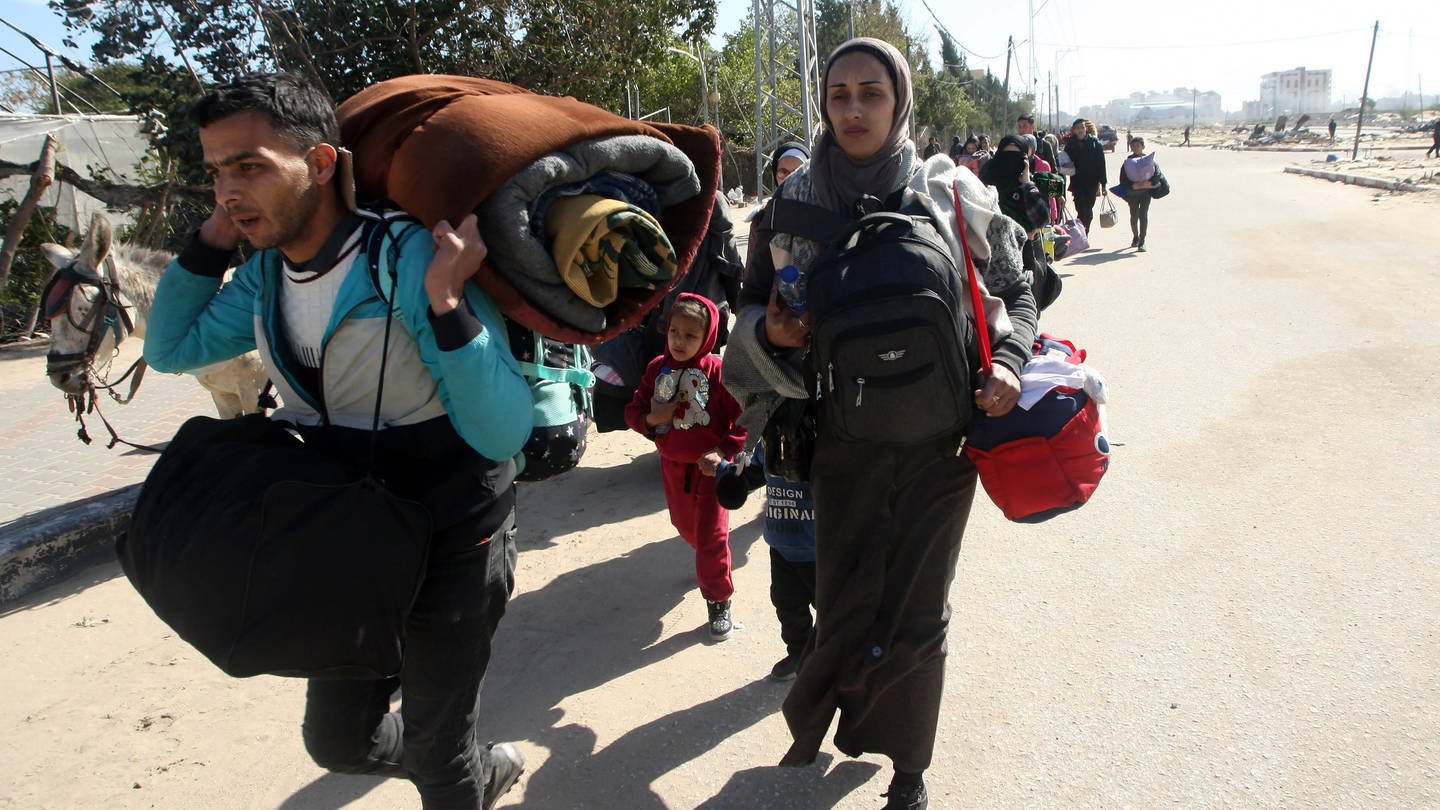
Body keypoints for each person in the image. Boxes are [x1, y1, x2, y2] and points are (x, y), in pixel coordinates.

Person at [142, 73, 534, 809]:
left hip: (456, 526)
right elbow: (169, 347)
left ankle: (463, 771)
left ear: (320, 164)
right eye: (217, 172)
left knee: (435, 750)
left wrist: (448, 304)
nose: (228, 188)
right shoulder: (263, 280)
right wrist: (216, 236)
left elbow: (502, 431)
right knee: (337, 741)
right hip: (352, 533)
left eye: (250, 165)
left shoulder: (406, 258)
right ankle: (485, 769)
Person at [724, 37, 1036, 810]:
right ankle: (850, 720)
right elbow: (750, 304)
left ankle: (909, 768)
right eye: (840, 95)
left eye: (872, 92)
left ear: (900, 100)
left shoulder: (954, 195)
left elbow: (1020, 290)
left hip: (941, 447)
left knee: (919, 607)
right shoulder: (788, 212)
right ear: (823, 106)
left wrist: (1009, 364)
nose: (855, 109)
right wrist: (770, 335)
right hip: (840, 446)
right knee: (846, 598)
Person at [625, 293, 747, 640]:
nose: (680, 341)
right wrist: (651, 418)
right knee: (686, 528)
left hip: (711, 472)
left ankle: (718, 597)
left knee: (711, 537)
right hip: (673, 468)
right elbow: (632, 412)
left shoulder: (720, 372)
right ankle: (710, 560)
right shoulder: (656, 369)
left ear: (707, 337)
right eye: (674, 332)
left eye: (690, 335)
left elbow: (743, 420)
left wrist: (723, 451)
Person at [1064, 117, 1108, 236]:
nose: (1080, 130)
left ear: (1086, 129)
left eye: (1082, 127)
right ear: (1074, 130)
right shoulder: (1070, 144)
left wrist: (1103, 184)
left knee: (1088, 209)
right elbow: (1063, 160)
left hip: (1092, 183)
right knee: (1080, 208)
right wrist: (1066, 164)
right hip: (1077, 182)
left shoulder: (1095, 143)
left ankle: (1085, 231)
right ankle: (1081, 232)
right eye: (1077, 128)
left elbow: (1101, 164)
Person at [1118, 135, 1161, 251]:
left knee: (1143, 215)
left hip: (1146, 193)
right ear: (1131, 148)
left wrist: (1149, 183)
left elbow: (1157, 175)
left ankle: (1142, 241)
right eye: (1133, 146)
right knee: (1134, 216)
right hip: (1132, 194)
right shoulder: (1127, 163)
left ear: (1143, 147)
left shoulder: (1149, 161)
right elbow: (1122, 179)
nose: (1136, 148)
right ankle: (1135, 237)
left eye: (1138, 146)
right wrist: (1133, 185)